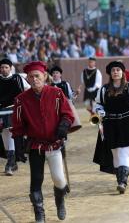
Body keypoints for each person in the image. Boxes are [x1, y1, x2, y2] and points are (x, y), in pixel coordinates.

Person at [12, 61, 74, 222]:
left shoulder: (57, 93)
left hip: (54, 143)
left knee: (59, 179)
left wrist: (64, 125)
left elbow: (67, 114)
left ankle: (60, 200)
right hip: (35, 145)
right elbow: (17, 125)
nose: (34, 79)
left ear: (45, 76)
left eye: (37, 76)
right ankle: (39, 212)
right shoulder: (21, 100)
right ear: (27, 80)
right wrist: (18, 146)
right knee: (36, 180)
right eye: (30, 77)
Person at [93, 61, 129, 194]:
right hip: (110, 124)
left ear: (122, 72)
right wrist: (100, 112)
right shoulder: (104, 89)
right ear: (110, 74)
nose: (116, 72)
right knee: (115, 153)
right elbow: (98, 105)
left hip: (127, 123)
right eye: (113, 70)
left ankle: (123, 182)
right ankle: (120, 180)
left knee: (123, 152)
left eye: (118, 70)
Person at [0, 58, 30, 175]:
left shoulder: (17, 78)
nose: (3, 69)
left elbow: (27, 90)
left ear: (10, 68)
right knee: (4, 133)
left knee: (11, 131)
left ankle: (10, 162)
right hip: (1, 110)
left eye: (6, 67)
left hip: (14, 109)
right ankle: (11, 160)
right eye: (2, 67)